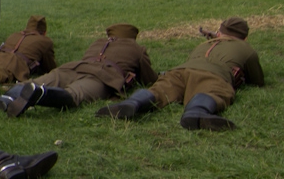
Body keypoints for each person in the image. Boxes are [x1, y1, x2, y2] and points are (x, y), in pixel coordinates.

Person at [95, 17, 264, 130]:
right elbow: (257, 80)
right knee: (214, 92)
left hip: (179, 71)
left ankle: (133, 102)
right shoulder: (246, 48)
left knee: (159, 90)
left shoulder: (204, 45)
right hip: (214, 75)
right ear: (244, 38)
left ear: (219, 32)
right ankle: (196, 112)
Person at [0, 23, 157, 118]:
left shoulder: (98, 43)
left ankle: (6, 98)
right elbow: (149, 78)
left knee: (37, 81)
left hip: (72, 67)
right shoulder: (136, 48)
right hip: (103, 76)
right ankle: (38, 95)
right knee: (73, 95)